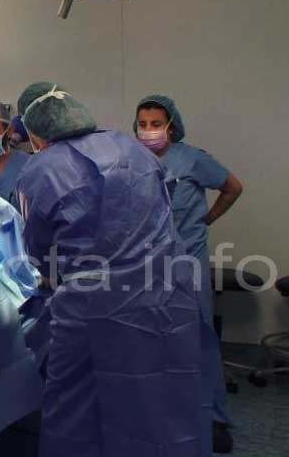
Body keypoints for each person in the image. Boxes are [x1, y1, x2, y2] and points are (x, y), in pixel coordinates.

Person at [16, 82, 204, 457]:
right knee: (162, 396)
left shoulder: (40, 169)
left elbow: (38, 247)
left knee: (77, 404)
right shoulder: (129, 147)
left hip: (94, 307)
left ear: (35, 132)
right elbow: (165, 202)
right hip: (164, 290)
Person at [136, 94, 243, 453]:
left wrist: (207, 219)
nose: (148, 131)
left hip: (187, 258)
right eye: (142, 124)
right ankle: (163, 411)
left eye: (155, 124)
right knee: (151, 336)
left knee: (199, 337)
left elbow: (233, 187)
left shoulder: (192, 159)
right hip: (147, 261)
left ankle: (214, 418)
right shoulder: (132, 161)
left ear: (171, 126)